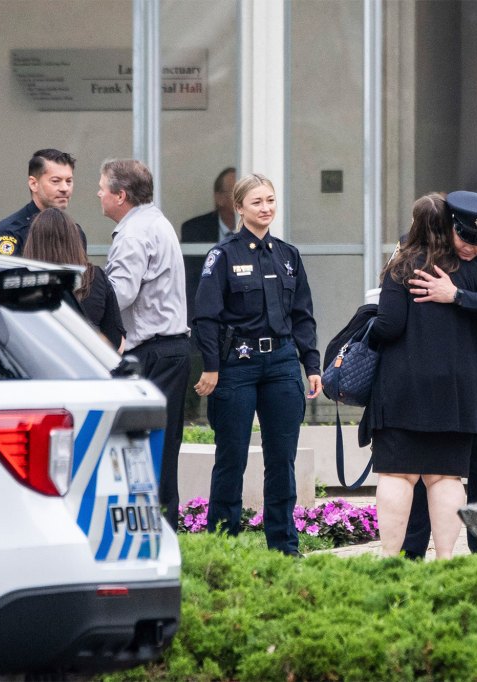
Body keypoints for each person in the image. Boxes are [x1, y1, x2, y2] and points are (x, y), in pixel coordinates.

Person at [192, 173, 322, 555]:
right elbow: (206, 316)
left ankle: (284, 547)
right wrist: (212, 366)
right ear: (239, 208)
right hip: (237, 364)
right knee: (231, 457)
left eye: (270, 201)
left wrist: (311, 364)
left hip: (282, 363)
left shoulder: (287, 255)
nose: (266, 208)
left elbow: (303, 315)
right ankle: (223, 547)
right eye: (257, 202)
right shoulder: (225, 255)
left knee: (282, 460)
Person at [365, 193, 477, 559]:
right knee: (447, 478)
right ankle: (446, 560)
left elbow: (390, 326)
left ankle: (390, 560)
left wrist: (367, 328)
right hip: (456, 393)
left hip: (403, 390)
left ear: (415, 225)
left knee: (397, 476)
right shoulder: (471, 273)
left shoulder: (402, 267)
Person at [397, 190, 477, 557]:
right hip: (430, 372)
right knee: (424, 459)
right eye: (465, 238)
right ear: (450, 225)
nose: (472, 248)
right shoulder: (417, 245)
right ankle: (413, 550)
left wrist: (457, 296)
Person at [101, 158, 190, 531]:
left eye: (103, 188)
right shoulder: (156, 221)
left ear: (121, 195)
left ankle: (154, 536)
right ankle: (165, 530)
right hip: (169, 351)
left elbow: (120, 293)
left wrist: (87, 292)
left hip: (152, 352)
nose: (99, 195)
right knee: (164, 448)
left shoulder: (135, 233)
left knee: (145, 450)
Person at [23, 207, 126, 353]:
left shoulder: (22, 283)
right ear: (74, 240)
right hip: (89, 367)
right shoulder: (95, 277)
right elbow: (117, 341)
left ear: (32, 242)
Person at [0, 148, 87, 257]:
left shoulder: (75, 232)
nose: (64, 188)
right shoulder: (11, 232)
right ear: (33, 184)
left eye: (69, 181)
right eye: (55, 181)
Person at [181, 167, 237, 323]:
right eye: (236, 193)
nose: (243, 199)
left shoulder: (255, 230)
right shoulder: (194, 230)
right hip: (204, 317)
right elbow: (191, 284)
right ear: (219, 198)